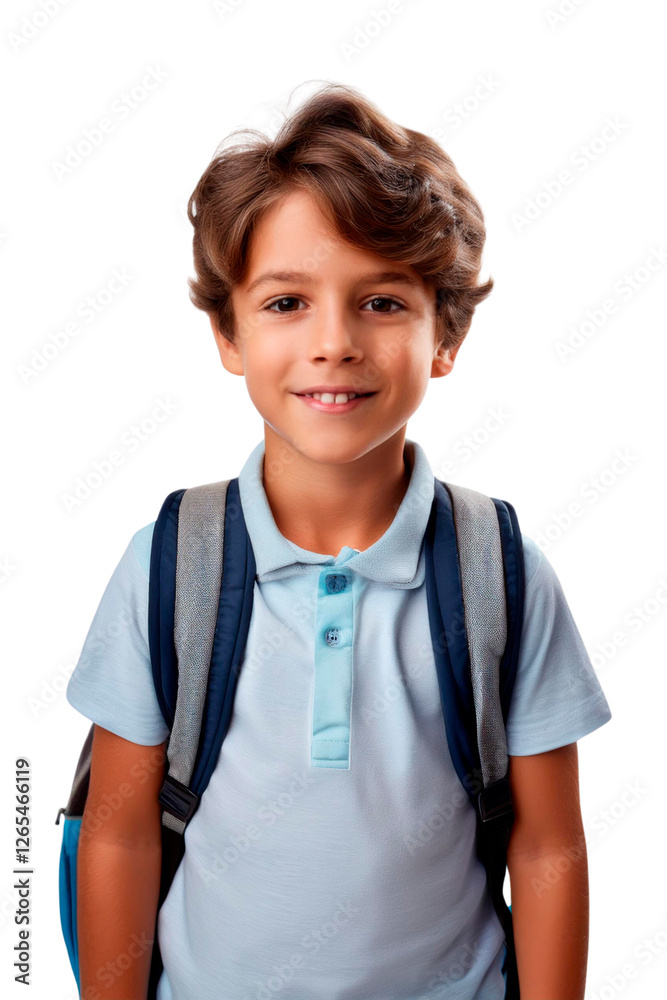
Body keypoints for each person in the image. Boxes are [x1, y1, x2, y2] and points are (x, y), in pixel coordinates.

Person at [66, 81, 612, 1000]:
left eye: (382, 303)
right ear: (226, 332)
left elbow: (548, 841)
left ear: (446, 335)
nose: (334, 343)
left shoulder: (501, 571)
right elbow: (117, 833)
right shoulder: (172, 563)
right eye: (286, 304)